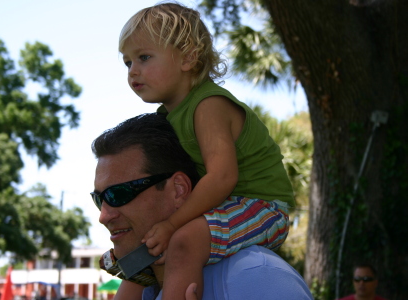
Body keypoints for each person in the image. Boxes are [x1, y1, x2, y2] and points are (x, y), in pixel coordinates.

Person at [118, 3, 295, 299]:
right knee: (140, 257)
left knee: (183, 241)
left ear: (188, 57)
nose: (133, 71)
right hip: (221, 206)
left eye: (144, 57)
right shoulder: (166, 118)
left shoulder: (208, 105)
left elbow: (222, 177)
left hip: (263, 206)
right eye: (127, 62)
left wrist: (172, 223)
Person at [91, 113, 313, 300]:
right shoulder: (141, 287)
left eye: (118, 194)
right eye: (99, 198)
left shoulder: (257, 277)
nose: (104, 215)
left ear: (178, 189)